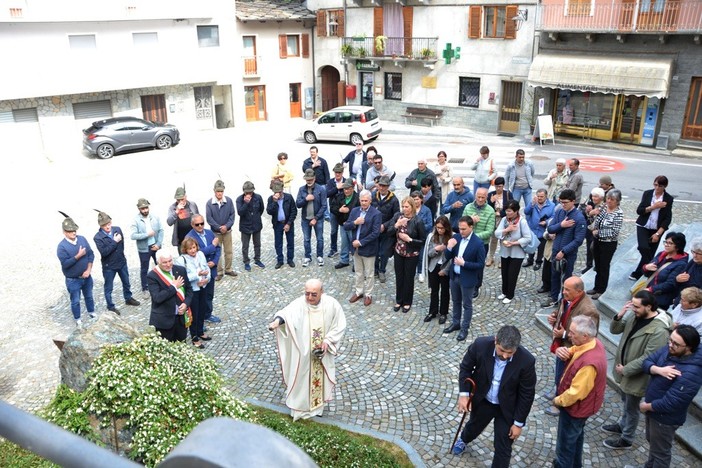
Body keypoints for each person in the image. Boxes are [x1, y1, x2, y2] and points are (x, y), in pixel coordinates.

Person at [451, 325, 537, 468]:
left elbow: (527, 394)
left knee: (503, 447)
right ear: (495, 341)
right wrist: (464, 394)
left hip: (507, 408)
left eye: (510, 353)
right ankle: (464, 439)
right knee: (474, 426)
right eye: (502, 350)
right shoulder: (480, 345)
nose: (504, 356)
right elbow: (466, 368)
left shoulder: (526, 361)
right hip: (484, 399)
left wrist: (518, 423)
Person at [268, 279, 347, 421]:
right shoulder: (300, 304)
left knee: (319, 379)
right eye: (307, 294)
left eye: (314, 294)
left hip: (322, 352)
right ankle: (300, 408)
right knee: (301, 377)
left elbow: (339, 325)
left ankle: (318, 408)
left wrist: (327, 341)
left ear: (321, 292)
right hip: (303, 352)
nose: (309, 298)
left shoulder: (332, 304)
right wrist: (277, 322)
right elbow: (286, 313)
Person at [601, 290, 671, 450]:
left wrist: (626, 369)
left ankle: (626, 438)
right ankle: (622, 425)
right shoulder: (635, 315)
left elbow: (648, 357)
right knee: (626, 402)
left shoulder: (659, 331)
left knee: (632, 407)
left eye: (637, 307)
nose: (634, 309)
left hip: (637, 375)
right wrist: (619, 315)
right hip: (624, 369)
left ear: (649, 307)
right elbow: (615, 330)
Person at [640, 325, 702, 468]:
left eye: (675, 343)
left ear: (689, 347)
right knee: (654, 444)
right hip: (654, 412)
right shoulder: (672, 350)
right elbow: (647, 362)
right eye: (670, 340)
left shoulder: (692, 372)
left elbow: (672, 402)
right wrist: (658, 370)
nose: (670, 345)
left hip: (664, 419)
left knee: (661, 453)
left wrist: (646, 406)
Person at [552, 315, 607, 468]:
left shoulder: (589, 365)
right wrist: (567, 351)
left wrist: (557, 400)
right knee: (576, 438)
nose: (568, 335)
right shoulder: (592, 343)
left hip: (575, 409)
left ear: (585, 336)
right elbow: (577, 349)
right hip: (583, 408)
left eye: (572, 333)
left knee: (565, 446)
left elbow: (575, 393)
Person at [545, 276, 600, 416]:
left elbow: (588, 336)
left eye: (567, 290)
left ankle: (560, 404)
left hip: (573, 351)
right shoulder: (569, 298)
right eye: (563, 288)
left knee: (567, 377)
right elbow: (564, 313)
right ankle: (558, 391)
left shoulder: (589, 310)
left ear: (579, 291)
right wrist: (554, 317)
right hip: (562, 346)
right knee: (559, 373)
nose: (563, 292)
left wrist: (563, 335)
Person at [443, 216, 486, 341]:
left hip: (467, 279)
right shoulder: (456, 237)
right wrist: (449, 247)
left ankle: (464, 328)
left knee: (467, 305)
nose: (461, 231)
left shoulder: (477, 243)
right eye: (460, 229)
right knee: (456, 301)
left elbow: (480, 264)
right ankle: (456, 323)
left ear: (471, 227)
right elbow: (447, 256)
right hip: (454, 276)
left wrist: (465, 264)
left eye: (464, 229)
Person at [542, 189, 587, 308]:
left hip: (568, 254)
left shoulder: (579, 218)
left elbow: (578, 240)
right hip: (556, 250)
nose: (563, 205)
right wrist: (561, 225)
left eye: (565, 202)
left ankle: (564, 300)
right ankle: (553, 297)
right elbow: (551, 229)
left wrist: (564, 251)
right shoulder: (560, 212)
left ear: (573, 201)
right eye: (561, 202)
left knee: (566, 279)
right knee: (554, 275)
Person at [93, 210, 139, 314]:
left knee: (126, 282)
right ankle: (110, 306)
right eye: (104, 225)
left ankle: (128, 298)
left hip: (121, 262)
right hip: (109, 266)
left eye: (108, 224)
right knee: (109, 287)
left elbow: (122, 245)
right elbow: (104, 252)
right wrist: (114, 241)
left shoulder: (117, 229)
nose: (107, 227)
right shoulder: (97, 237)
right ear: (100, 226)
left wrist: (121, 255)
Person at [386, 197, 427, 313]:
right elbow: (389, 232)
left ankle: (407, 301)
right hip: (398, 251)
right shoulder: (397, 217)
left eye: (407, 207)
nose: (404, 209)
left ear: (412, 207)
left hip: (411, 254)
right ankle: (399, 300)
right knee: (399, 277)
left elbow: (422, 241)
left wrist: (410, 240)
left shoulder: (418, 221)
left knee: (409, 278)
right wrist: (396, 225)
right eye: (403, 206)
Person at [631, 175, 674, 280]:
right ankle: (655, 266)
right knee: (643, 247)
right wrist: (653, 207)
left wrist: (658, 234)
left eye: (660, 186)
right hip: (643, 225)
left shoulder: (668, 198)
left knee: (650, 251)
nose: (657, 188)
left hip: (656, 228)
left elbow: (667, 218)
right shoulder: (648, 193)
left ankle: (638, 273)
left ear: (665, 186)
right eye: (655, 185)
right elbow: (639, 211)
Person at [57, 212, 95, 327]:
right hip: (73, 280)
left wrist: (88, 270)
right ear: (64, 232)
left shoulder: (82, 239)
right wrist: (78, 256)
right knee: (75, 301)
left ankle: (92, 313)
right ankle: (78, 319)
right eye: (70, 231)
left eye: (74, 230)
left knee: (89, 296)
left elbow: (91, 255)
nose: (73, 233)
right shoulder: (61, 247)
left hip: (87, 277)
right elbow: (65, 264)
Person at [344, 190, 381, 306]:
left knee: (369, 273)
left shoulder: (376, 214)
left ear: (370, 201)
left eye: (366, 200)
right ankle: (359, 291)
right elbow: (346, 226)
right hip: (355, 248)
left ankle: (368, 294)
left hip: (368, 248)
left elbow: (375, 233)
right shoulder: (355, 211)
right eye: (362, 200)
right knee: (358, 272)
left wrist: (360, 242)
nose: (364, 203)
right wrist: (355, 222)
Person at [147, 250, 192, 342]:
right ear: (158, 262)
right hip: (164, 320)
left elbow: (189, 290)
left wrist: (186, 304)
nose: (168, 264)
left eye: (170, 261)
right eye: (164, 262)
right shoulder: (152, 276)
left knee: (182, 346)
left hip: (181, 318)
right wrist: (174, 287)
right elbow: (157, 298)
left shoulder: (180, 270)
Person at [174, 238, 210, 349]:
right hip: (192, 290)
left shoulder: (201, 254)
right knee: (193, 314)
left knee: (202, 310)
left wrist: (206, 278)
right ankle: (194, 337)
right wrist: (197, 274)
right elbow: (183, 278)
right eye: (190, 248)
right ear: (185, 249)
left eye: (194, 247)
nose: (193, 250)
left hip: (203, 287)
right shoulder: (181, 260)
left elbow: (206, 268)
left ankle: (200, 331)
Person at [186, 214, 221, 324]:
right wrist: (212, 246)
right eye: (197, 224)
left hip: (211, 268)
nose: (200, 226)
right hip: (198, 271)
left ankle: (207, 314)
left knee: (209, 294)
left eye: (202, 223)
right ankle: (198, 319)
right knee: (199, 297)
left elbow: (218, 248)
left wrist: (214, 262)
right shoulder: (189, 237)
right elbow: (196, 252)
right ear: (192, 225)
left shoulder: (209, 233)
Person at [494, 200, 531, 304]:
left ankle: (510, 294)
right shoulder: (504, 220)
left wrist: (514, 243)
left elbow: (528, 238)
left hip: (517, 253)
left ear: (516, 211)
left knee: (512, 274)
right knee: (504, 272)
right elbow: (497, 233)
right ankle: (504, 292)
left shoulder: (522, 221)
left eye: (510, 211)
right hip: (505, 251)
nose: (508, 213)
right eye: (506, 210)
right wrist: (506, 230)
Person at [588, 189, 623, 299]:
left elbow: (614, 232)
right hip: (598, 240)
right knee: (597, 265)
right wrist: (592, 215)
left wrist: (598, 232)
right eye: (608, 198)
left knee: (604, 266)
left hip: (608, 243)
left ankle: (601, 289)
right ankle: (596, 287)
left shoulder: (618, 213)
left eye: (612, 199)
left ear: (617, 201)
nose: (609, 201)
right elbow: (597, 220)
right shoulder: (603, 207)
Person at [641, 231, 689, 311]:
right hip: (648, 294)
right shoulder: (661, 254)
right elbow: (646, 273)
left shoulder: (681, 264)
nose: (666, 244)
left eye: (670, 243)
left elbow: (670, 284)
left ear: (677, 246)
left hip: (660, 300)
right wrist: (646, 267)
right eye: (665, 242)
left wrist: (651, 289)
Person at [461, 187, 495, 298]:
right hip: (466, 242)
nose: (480, 199)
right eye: (478, 197)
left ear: (486, 197)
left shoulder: (490, 211)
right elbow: (462, 223)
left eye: (483, 197)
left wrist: (473, 237)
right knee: (465, 262)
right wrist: (470, 220)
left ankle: (476, 286)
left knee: (478, 266)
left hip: (481, 244)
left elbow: (489, 231)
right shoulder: (468, 207)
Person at [130, 198, 164, 299]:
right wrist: (146, 235)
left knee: (161, 265)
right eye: (142, 209)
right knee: (144, 268)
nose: (145, 210)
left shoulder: (155, 217)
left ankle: (162, 283)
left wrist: (158, 244)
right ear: (139, 209)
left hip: (155, 246)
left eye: (146, 208)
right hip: (144, 248)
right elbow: (133, 235)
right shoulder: (136, 220)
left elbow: (161, 230)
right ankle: (145, 288)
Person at [206, 179, 237, 280]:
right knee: (217, 253)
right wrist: (219, 227)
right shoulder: (209, 203)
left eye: (221, 191)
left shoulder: (228, 201)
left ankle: (228, 269)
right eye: (218, 191)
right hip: (216, 233)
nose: (219, 193)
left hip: (227, 232)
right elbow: (209, 219)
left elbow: (232, 215)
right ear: (214, 191)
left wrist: (226, 226)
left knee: (228, 251)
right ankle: (219, 272)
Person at [423, 216, 452, 324]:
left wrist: (446, 270)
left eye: (442, 228)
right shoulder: (432, 237)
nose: (439, 230)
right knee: (434, 290)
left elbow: (452, 257)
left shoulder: (451, 238)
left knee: (445, 291)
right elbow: (429, 253)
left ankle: (443, 312)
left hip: (445, 267)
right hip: (433, 266)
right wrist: (436, 249)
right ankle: (433, 311)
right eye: (438, 227)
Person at [296, 168, 327, 267]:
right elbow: (298, 204)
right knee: (306, 239)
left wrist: (316, 218)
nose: (309, 181)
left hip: (317, 219)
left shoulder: (321, 189)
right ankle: (307, 256)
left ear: (314, 178)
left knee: (320, 238)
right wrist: (306, 199)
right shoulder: (302, 189)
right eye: (307, 180)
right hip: (305, 218)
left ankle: (320, 256)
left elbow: (324, 206)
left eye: (310, 179)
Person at [372, 175, 400, 283]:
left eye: (384, 186)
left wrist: (385, 225)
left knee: (384, 252)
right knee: (375, 250)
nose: (382, 188)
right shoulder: (374, 195)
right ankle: (374, 269)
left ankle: (382, 270)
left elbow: (396, 216)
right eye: (380, 185)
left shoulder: (394, 199)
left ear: (388, 187)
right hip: (375, 229)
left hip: (387, 231)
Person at [266, 180, 297, 269]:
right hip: (278, 224)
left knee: (290, 242)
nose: (278, 193)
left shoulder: (289, 197)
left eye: (279, 191)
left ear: (282, 190)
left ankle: (290, 259)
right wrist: (274, 202)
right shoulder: (271, 199)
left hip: (288, 222)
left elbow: (293, 211)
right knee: (278, 243)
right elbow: (269, 211)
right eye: (276, 192)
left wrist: (289, 223)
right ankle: (280, 260)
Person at [236, 181, 265, 271]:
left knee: (257, 244)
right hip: (245, 226)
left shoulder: (258, 197)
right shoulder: (239, 199)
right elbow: (240, 212)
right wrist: (246, 203)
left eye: (250, 192)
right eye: (247, 192)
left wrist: (255, 217)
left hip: (256, 225)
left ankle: (257, 259)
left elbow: (261, 209)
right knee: (245, 245)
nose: (249, 194)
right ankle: (246, 261)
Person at [330, 179, 359, 269]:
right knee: (344, 243)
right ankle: (344, 260)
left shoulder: (357, 198)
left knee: (354, 244)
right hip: (343, 224)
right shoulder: (339, 196)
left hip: (353, 225)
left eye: (348, 189)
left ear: (353, 188)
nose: (346, 191)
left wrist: (351, 219)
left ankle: (357, 263)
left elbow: (360, 211)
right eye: (344, 189)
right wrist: (339, 210)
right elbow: (332, 207)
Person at [523, 188, 555, 270]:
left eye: (542, 196)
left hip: (542, 230)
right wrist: (532, 204)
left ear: (546, 196)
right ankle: (530, 260)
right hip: (533, 229)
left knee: (541, 248)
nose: (539, 198)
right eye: (538, 196)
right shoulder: (533, 203)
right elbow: (526, 212)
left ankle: (538, 262)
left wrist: (546, 222)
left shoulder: (552, 205)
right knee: (531, 246)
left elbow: (553, 217)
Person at [487, 176, 512, 267]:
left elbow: (511, 207)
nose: (498, 188)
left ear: (503, 186)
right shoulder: (491, 194)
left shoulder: (508, 194)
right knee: (493, 239)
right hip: (493, 220)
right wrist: (490, 202)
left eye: (500, 186)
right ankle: (491, 257)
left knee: (503, 239)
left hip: (504, 220)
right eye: (496, 186)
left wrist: (500, 214)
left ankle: (502, 258)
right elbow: (487, 208)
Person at [581, 187, 605, 274]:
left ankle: (597, 264)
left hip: (599, 231)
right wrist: (588, 212)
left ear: (601, 197)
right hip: (590, 229)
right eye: (593, 196)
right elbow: (585, 215)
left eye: (596, 197)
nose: (594, 198)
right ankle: (589, 265)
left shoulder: (604, 206)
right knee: (589, 247)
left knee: (595, 247)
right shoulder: (590, 203)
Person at [411, 190, 434, 283]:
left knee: (421, 256)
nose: (415, 201)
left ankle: (420, 272)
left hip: (422, 236)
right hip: (412, 236)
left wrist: (419, 228)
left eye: (417, 199)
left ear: (421, 199)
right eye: (413, 199)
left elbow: (430, 224)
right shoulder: (410, 209)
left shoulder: (426, 210)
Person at [673, 237, 702, 306]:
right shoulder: (693, 262)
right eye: (693, 252)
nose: (694, 255)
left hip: (693, 306)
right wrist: (677, 279)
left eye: (699, 253)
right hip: (681, 302)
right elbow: (679, 278)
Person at [326, 163, 346, 258]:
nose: (337, 174)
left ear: (342, 172)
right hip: (334, 210)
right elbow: (327, 194)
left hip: (344, 210)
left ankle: (346, 248)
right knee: (334, 231)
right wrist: (336, 188)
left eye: (339, 172)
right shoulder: (330, 182)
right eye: (336, 172)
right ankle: (333, 249)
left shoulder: (346, 181)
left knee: (345, 231)